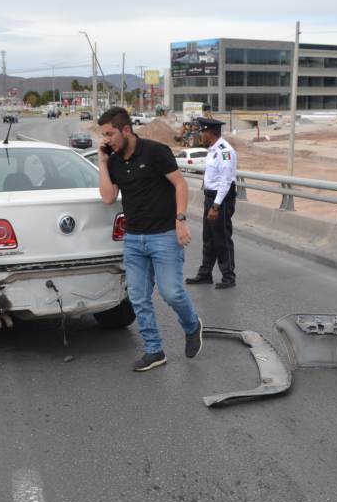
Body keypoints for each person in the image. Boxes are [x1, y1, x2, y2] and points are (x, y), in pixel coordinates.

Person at [97, 106, 203, 372]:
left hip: (164, 236)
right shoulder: (114, 161)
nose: (106, 139)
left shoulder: (155, 152)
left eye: (109, 134)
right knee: (138, 298)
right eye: (103, 135)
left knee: (172, 293)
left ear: (126, 130)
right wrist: (103, 162)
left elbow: (180, 184)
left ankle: (192, 325)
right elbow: (108, 197)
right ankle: (154, 350)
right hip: (134, 239)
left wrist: (180, 220)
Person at [186, 117, 238, 289]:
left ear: (211, 132)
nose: (201, 135)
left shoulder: (225, 151)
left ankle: (228, 276)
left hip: (221, 199)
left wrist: (216, 206)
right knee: (208, 237)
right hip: (210, 197)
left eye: (203, 132)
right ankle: (205, 274)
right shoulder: (212, 149)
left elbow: (225, 181)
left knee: (222, 238)